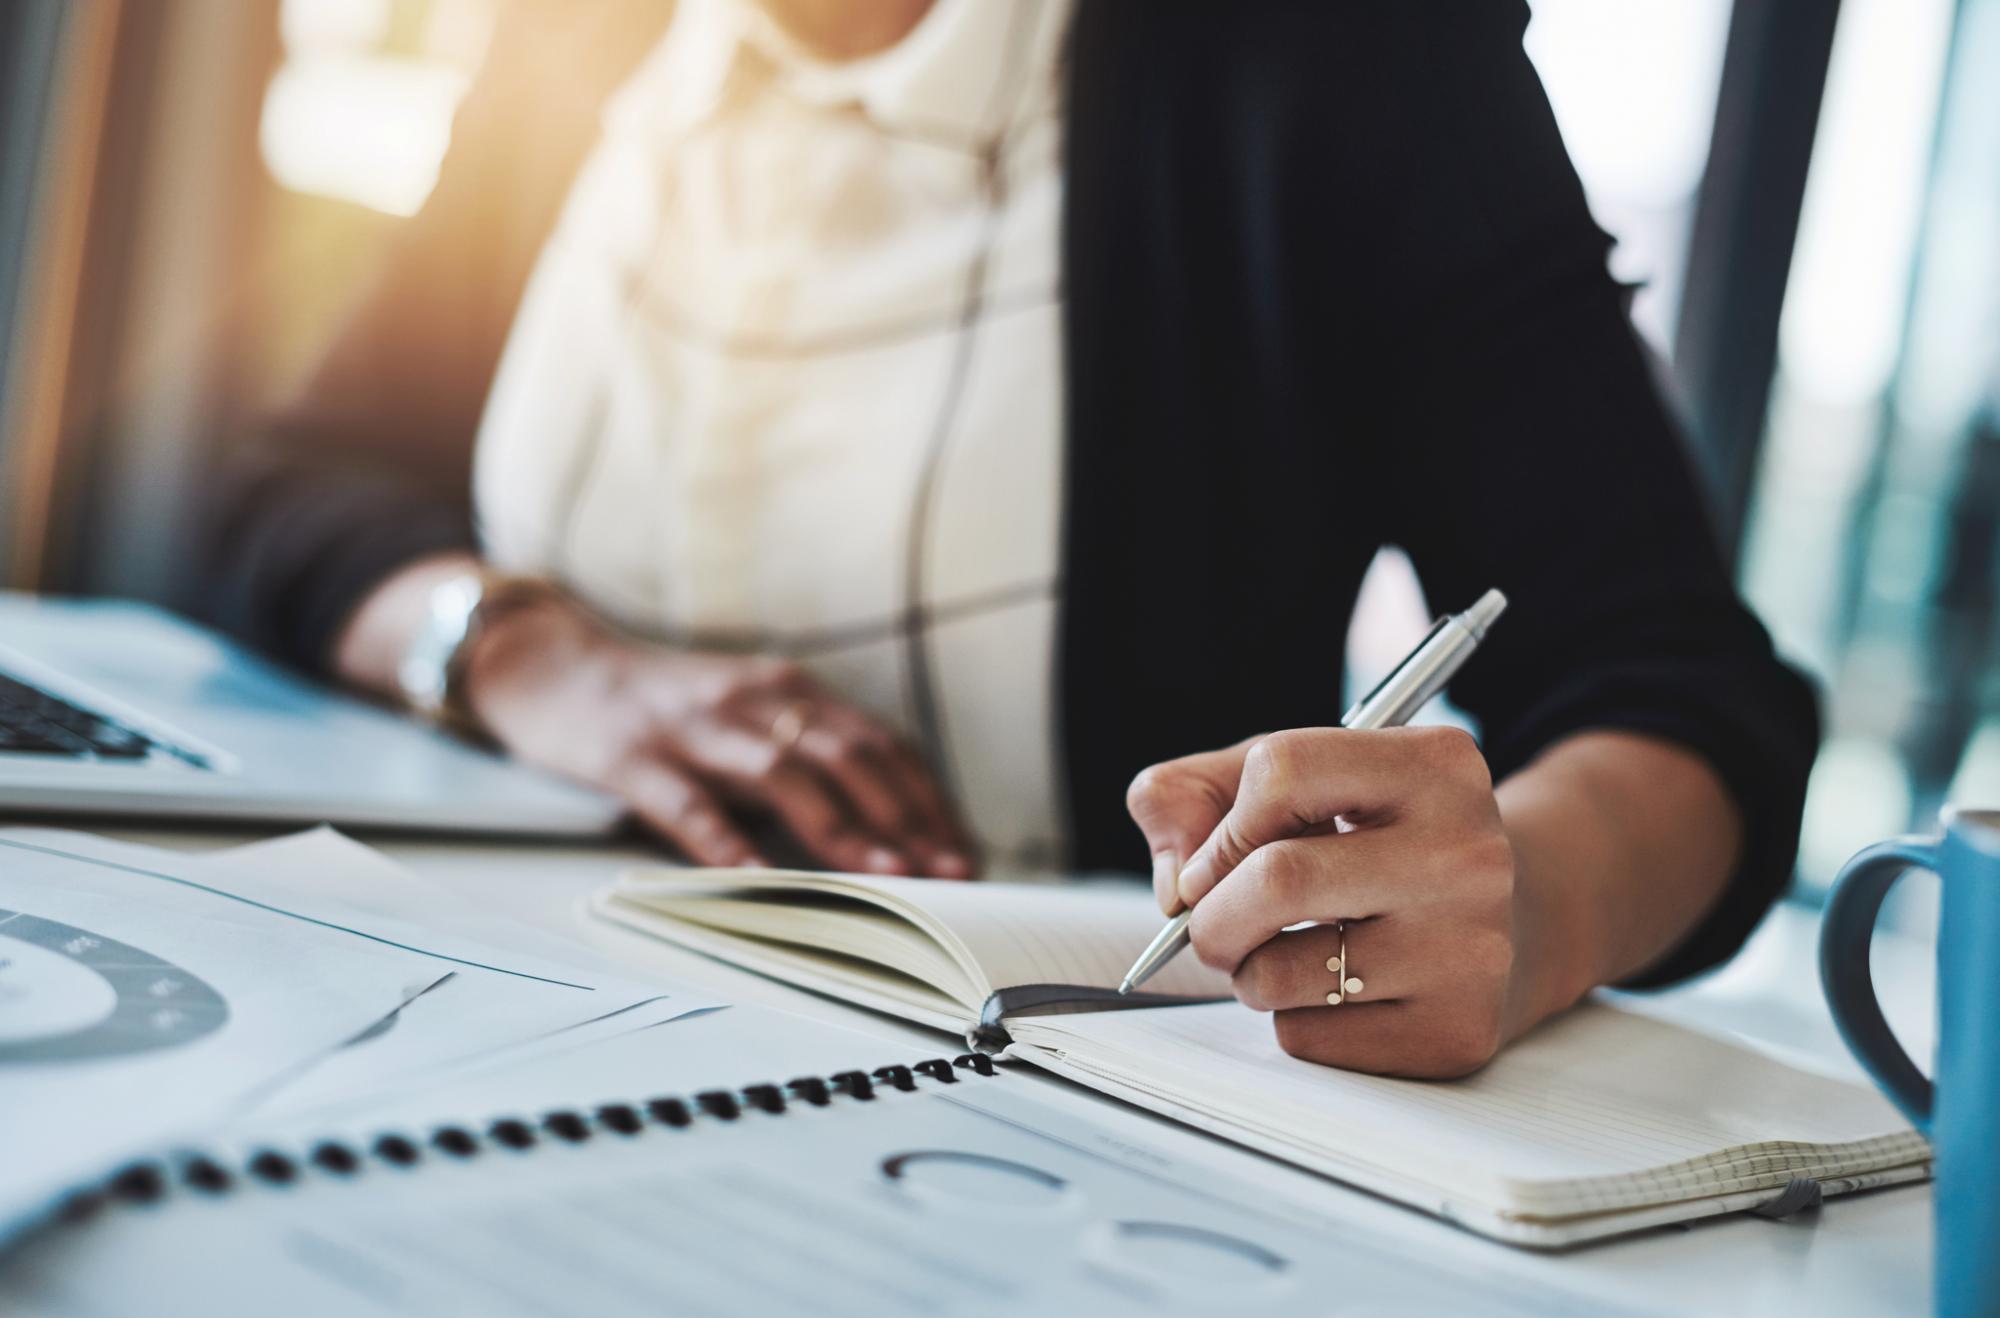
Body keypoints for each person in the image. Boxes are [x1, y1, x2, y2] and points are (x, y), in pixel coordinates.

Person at [202, 0, 1818, 1078]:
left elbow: (1684, 700)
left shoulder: (1334, 52)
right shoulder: (586, 39)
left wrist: (1526, 907)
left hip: (1025, 1091)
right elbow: (284, 483)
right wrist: (543, 661)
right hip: (443, 1006)